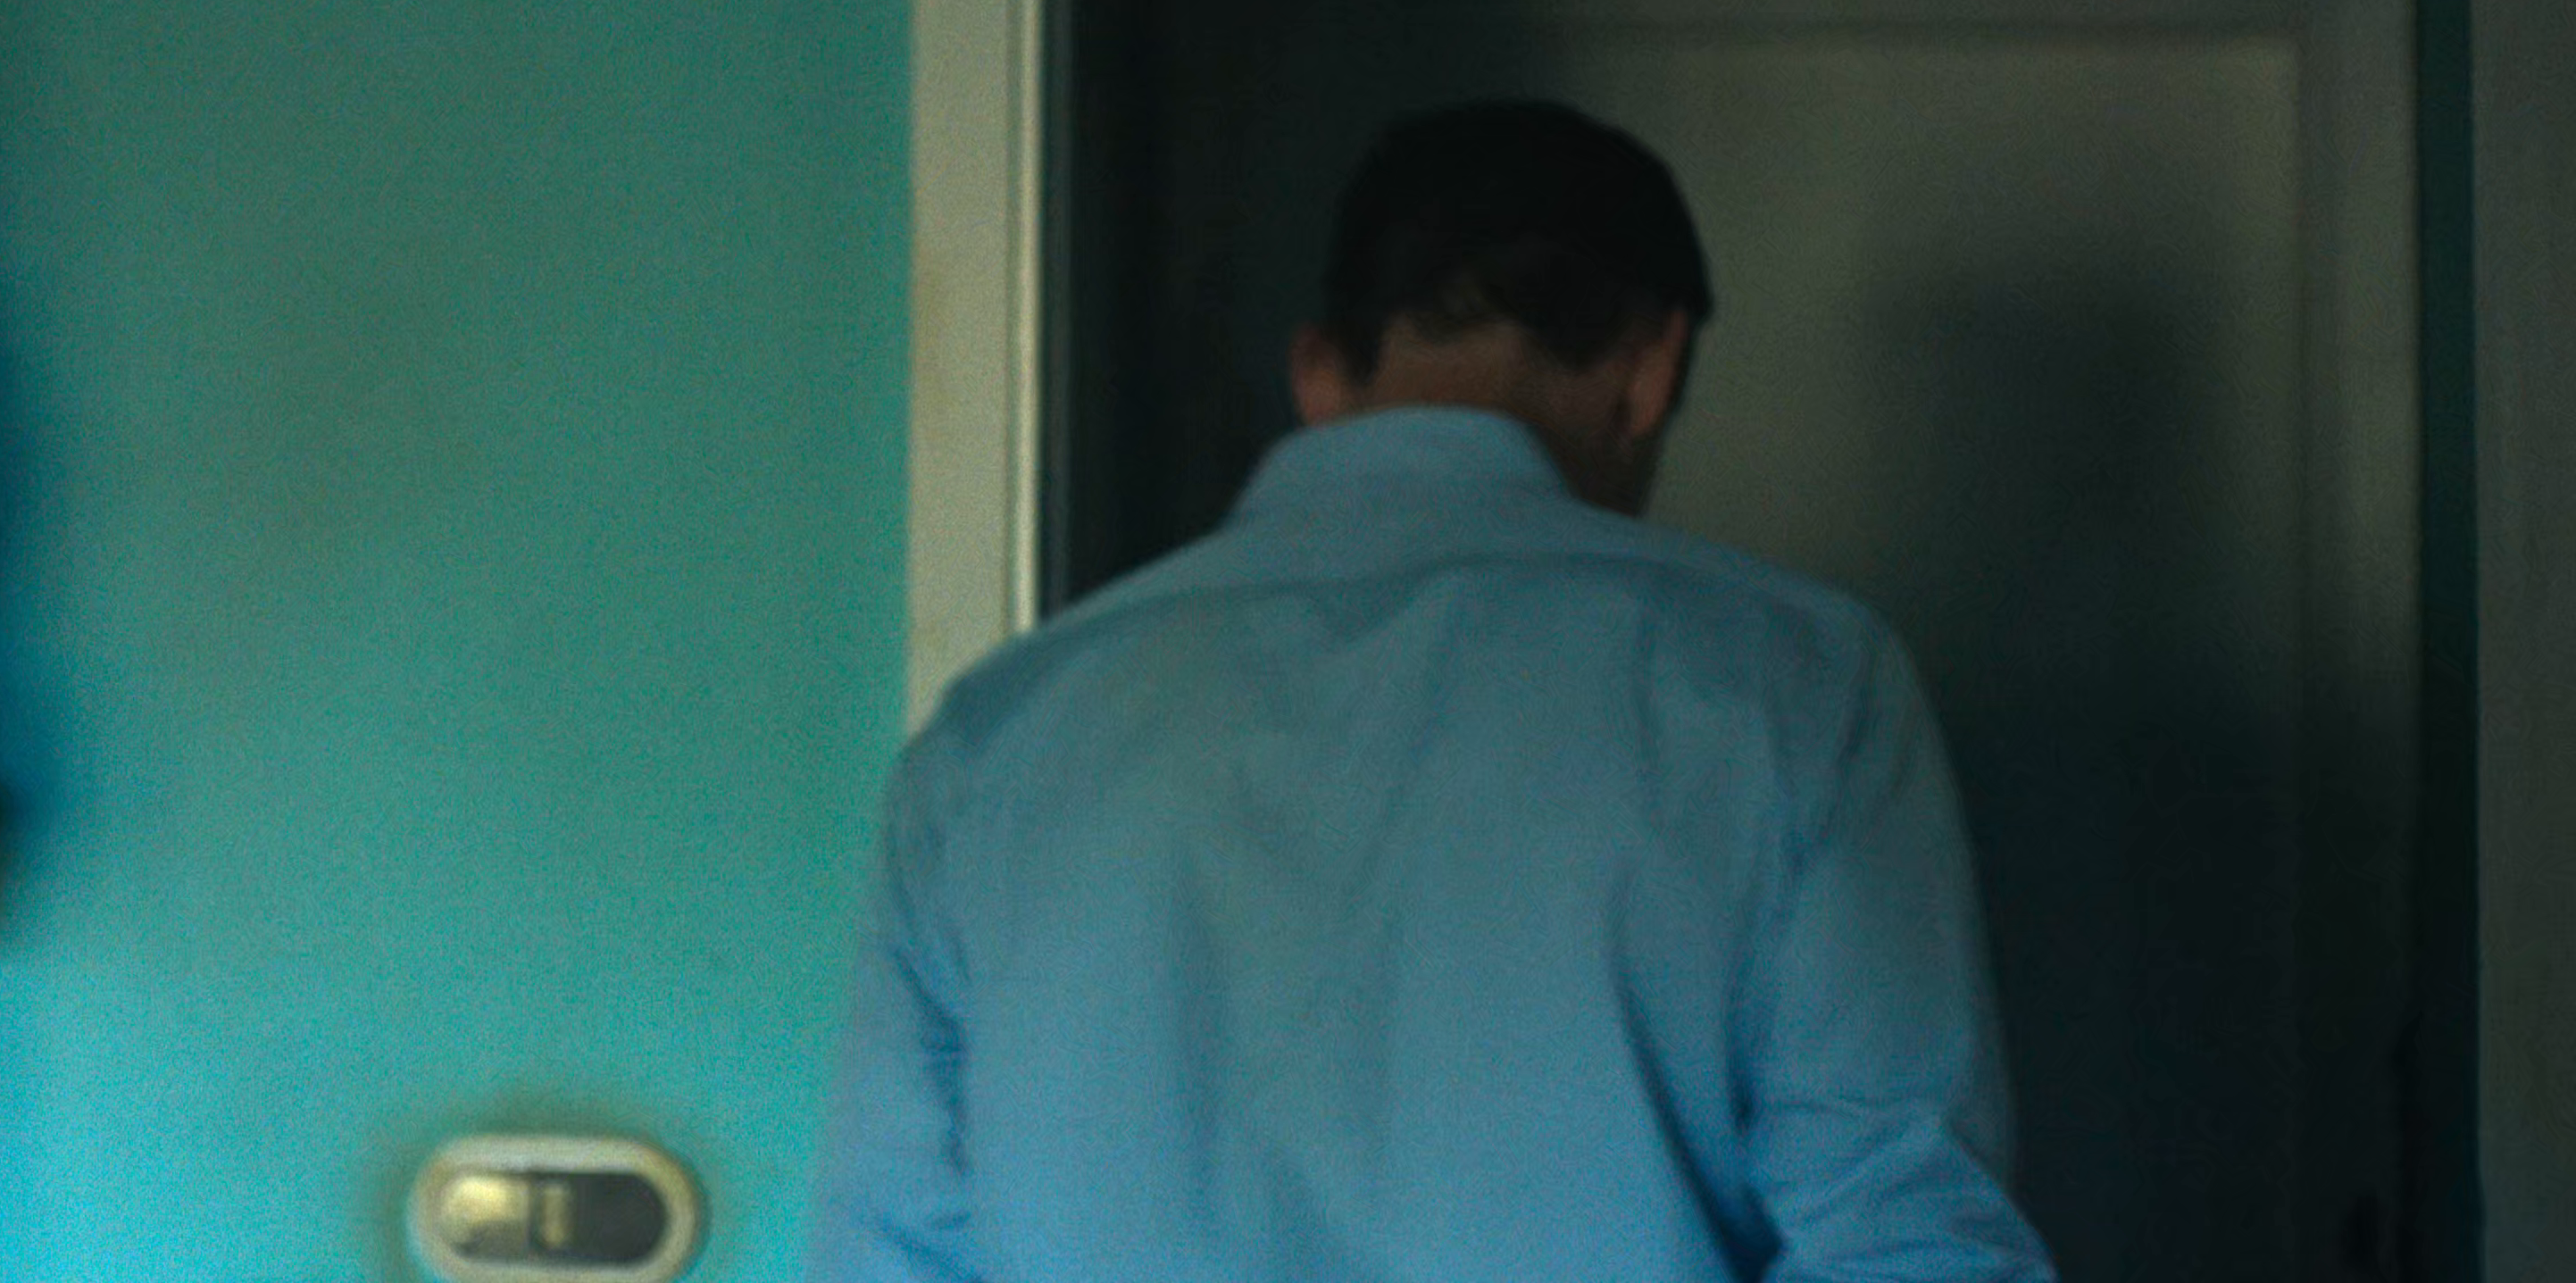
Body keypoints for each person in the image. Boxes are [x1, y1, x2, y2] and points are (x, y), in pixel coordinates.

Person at [812, 102, 2055, 1281]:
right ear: (1649, 371)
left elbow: (893, 1258)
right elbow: (1899, 1246)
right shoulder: (1797, 687)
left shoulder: (996, 738)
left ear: (1318, 374)